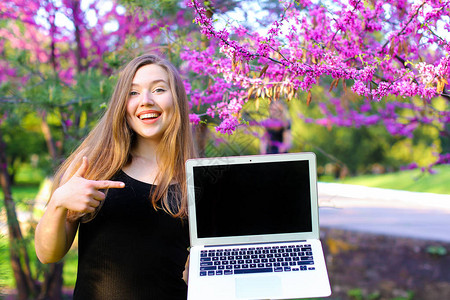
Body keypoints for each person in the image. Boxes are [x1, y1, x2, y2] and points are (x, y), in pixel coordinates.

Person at [35, 54, 196, 300]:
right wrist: (58, 202)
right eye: (133, 93)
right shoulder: (93, 166)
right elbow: (47, 254)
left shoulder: (193, 180)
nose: (146, 101)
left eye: (159, 89)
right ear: (122, 103)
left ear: (177, 99)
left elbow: (194, 270)